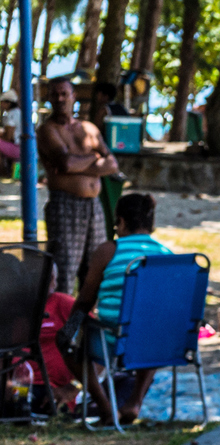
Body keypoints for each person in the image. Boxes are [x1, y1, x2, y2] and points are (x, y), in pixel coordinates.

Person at [70, 193, 169, 421]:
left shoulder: (108, 251)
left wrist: (69, 330)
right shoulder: (166, 255)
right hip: (163, 343)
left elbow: (85, 301)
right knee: (151, 326)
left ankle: (106, 407)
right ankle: (135, 402)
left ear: (121, 222)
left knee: (66, 342)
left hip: (115, 339)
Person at [37, 77, 119, 295]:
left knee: (95, 269)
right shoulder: (48, 130)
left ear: (74, 97)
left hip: (94, 205)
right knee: (65, 270)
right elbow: (66, 163)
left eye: (65, 93)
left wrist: (79, 164)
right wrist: (93, 158)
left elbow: (112, 164)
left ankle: (85, 322)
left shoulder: (89, 128)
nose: (60, 99)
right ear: (49, 98)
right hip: (65, 204)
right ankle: (61, 324)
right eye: (55, 94)